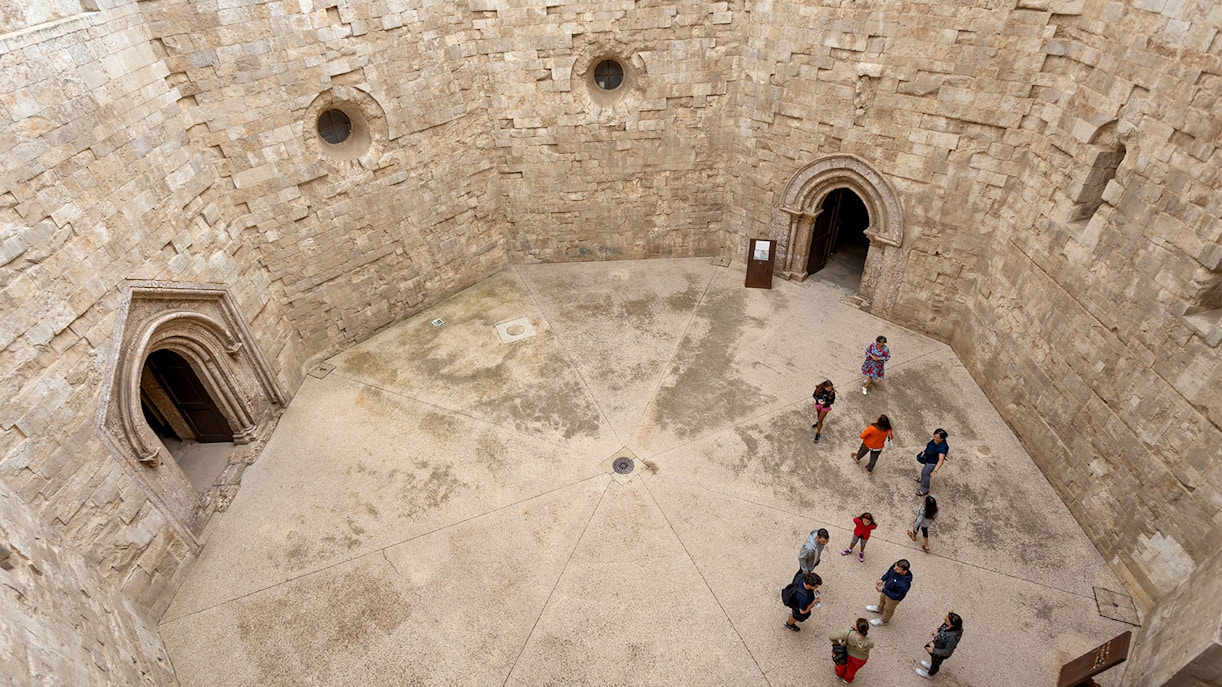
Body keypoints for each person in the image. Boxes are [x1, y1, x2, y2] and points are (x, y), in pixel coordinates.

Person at [865, 559, 912, 625]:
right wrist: (882, 579)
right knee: (882, 599)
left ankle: (884, 621)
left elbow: (897, 596)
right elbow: (889, 572)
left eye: (898, 569)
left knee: (888, 609)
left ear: (904, 571)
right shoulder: (896, 566)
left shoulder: (904, 585)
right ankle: (880, 609)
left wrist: (883, 590)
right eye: (895, 566)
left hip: (893, 598)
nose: (895, 569)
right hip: (887, 588)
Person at [917, 612, 963, 678]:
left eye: (946, 620)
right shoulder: (948, 625)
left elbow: (947, 651)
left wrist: (934, 650)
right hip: (938, 645)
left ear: (953, 625)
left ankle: (930, 674)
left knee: (936, 664)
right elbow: (943, 627)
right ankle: (931, 666)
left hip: (940, 653)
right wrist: (937, 630)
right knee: (933, 660)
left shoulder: (953, 638)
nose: (944, 618)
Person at [829, 618, 875, 683]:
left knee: (841, 664)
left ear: (857, 628)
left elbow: (831, 636)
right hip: (860, 659)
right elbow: (870, 645)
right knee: (852, 670)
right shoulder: (870, 642)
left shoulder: (848, 634)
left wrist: (837, 644)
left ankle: (838, 674)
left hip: (847, 653)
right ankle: (847, 680)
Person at [915, 429, 949, 496]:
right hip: (928, 458)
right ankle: (923, 480)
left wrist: (935, 471)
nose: (935, 439)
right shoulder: (935, 441)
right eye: (935, 436)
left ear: (942, 438)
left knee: (925, 473)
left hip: (931, 463)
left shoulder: (942, 447)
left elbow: (941, 460)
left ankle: (924, 490)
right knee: (924, 472)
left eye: (938, 438)